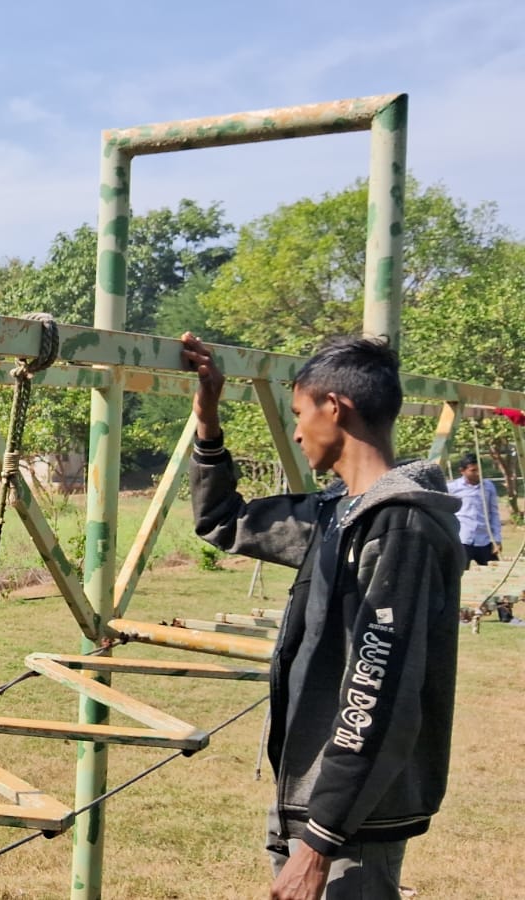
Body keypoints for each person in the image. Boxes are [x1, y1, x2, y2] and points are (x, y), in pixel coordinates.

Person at [182, 333, 462, 900]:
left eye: (298, 413)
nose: (296, 431)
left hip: (349, 824)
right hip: (312, 805)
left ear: (334, 407)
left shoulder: (399, 527)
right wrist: (207, 419)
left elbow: (379, 691)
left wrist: (319, 843)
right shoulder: (336, 512)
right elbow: (223, 520)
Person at [447, 452, 502, 568]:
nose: (478, 473)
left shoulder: (488, 486)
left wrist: (497, 539)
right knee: (458, 572)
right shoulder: (452, 488)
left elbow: (494, 514)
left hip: (484, 540)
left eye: (479, 469)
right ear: (462, 471)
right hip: (463, 540)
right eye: (473, 470)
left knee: (494, 571)